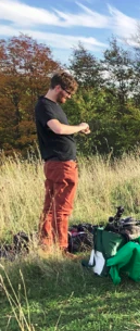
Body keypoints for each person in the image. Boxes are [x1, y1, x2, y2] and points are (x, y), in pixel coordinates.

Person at [35, 71, 90, 254]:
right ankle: (62, 251)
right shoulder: (44, 105)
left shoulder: (50, 106)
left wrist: (77, 129)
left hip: (57, 163)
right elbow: (58, 129)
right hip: (61, 164)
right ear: (58, 87)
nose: (69, 97)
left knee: (50, 207)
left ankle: (46, 246)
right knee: (62, 208)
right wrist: (80, 127)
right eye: (68, 92)